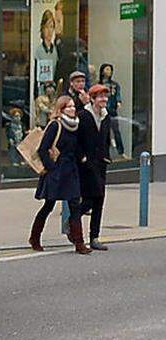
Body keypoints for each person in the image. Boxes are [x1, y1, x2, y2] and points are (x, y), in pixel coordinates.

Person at [29, 96, 89, 255]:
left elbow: (75, 148)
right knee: (48, 206)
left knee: (75, 205)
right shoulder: (55, 125)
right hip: (57, 171)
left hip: (71, 170)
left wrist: (82, 157)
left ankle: (79, 242)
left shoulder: (75, 126)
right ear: (61, 109)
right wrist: (52, 168)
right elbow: (43, 149)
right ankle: (34, 238)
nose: (72, 109)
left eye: (73, 106)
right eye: (68, 107)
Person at [78, 84, 113, 251]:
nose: (104, 99)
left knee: (99, 200)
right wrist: (82, 157)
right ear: (92, 99)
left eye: (105, 96)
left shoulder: (107, 117)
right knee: (91, 198)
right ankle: (74, 219)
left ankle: (94, 237)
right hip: (87, 163)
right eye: (100, 97)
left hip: (101, 162)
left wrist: (107, 156)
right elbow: (77, 140)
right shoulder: (84, 115)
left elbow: (106, 138)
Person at [98, 64, 124, 157]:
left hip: (112, 110)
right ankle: (104, 153)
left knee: (116, 130)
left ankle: (121, 152)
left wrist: (118, 101)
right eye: (107, 69)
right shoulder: (99, 85)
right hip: (101, 111)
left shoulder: (115, 85)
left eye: (110, 70)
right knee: (103, 131)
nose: (109, 72)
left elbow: (118, 94)